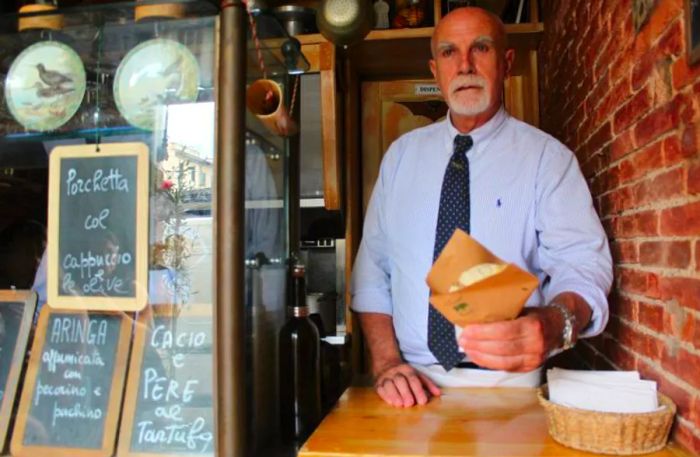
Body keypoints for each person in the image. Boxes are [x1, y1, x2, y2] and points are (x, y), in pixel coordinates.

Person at [350, 6, 613, 408]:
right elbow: (372, 272)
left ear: (506, 63)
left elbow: (582, 266)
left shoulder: (548, 159)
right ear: (434, 69)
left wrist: (555, 323)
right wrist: (386, 363)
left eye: (482, 48)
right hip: (410, 388)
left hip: (511, 385)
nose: (465, 65)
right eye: (449, 52)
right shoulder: (400, 157)